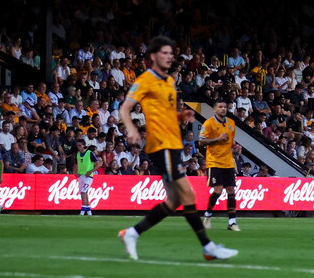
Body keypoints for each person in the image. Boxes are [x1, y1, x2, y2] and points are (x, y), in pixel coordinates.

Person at [117, 36, 237, 261]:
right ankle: (207, 246)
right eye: (165, 52)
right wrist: (132, 129)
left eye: (171, 53)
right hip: (160, 145)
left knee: (174, 201)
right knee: (188, 194)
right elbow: (125, 108)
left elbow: (166, 114)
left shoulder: (169, 82)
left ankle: (132, 233)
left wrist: (181, 115)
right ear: (153, 56)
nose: (170, 56)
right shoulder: (145, 80)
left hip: (174, 144)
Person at [200, 100, 240, 232]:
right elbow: (200, 142)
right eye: (220, 107)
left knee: (231, 190)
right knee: (218, 190)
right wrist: (217, 139)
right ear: (214, 109)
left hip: (228, 161)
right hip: (214, 161)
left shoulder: (231, 123)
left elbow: (230, 141)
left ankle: (232, 222)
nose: (223, 109)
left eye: (225, 107)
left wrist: (235, 147)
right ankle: (208, 214)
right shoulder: (209, 123)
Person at [75, 140, 101, 216]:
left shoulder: (90, 153)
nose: (78, 147)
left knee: (83, 192)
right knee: (84, 194)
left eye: (80, 145)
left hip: (88, 176)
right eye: (77, 146)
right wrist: (75, 172)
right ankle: (89, 211)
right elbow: (76, 164)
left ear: (84, 145)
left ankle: (82, 212)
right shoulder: (78, 154)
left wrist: (90, 171)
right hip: (81, 176)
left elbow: (98, 164)